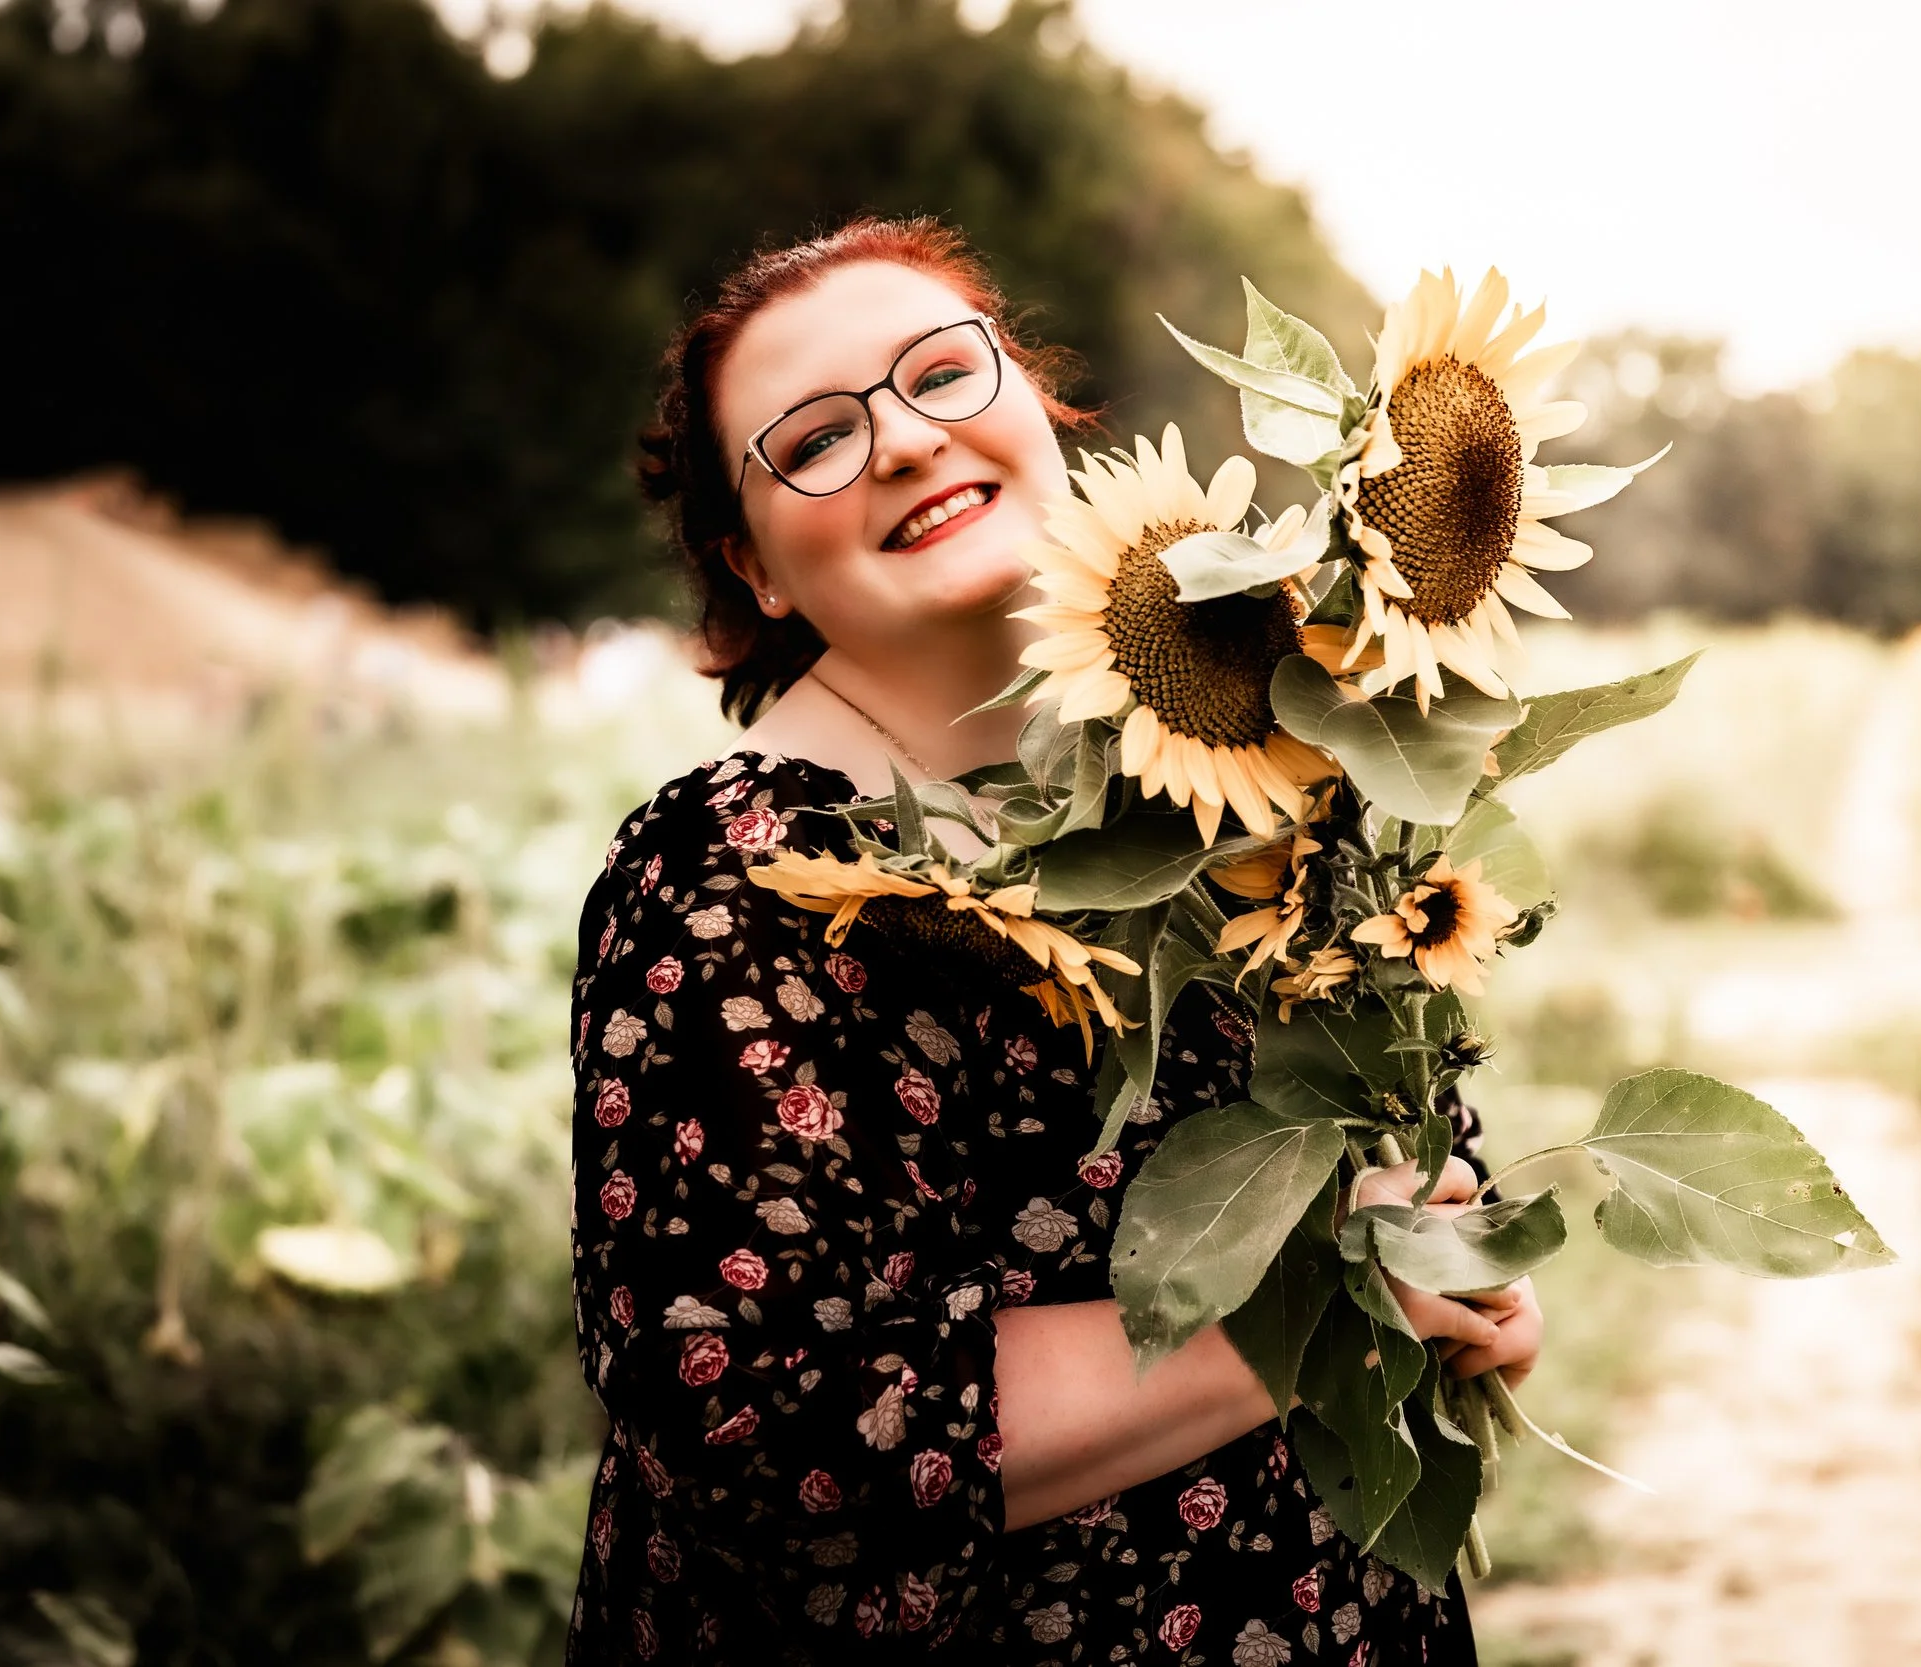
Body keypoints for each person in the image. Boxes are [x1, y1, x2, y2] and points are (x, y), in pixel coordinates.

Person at [567, 216, 1543, 1664]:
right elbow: (770, 1435)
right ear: (753, 568)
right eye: (815, 440)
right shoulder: (730, 884)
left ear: (1034, 402)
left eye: (943, 372)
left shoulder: (1238, 757)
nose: (902, 439)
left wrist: (1458, 1255)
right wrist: (1331, 1306)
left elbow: (1398, 1140)